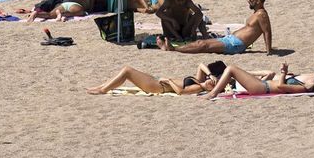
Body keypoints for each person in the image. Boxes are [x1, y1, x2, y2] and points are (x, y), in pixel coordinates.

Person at [162, 0, 272, 54]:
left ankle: (175, 49)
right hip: (232, 40)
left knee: (203, 46)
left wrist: (269, 51)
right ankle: (176, 48)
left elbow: (267, 32)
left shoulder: (262, 14)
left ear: (258, 1)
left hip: (236, 45)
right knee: (202, 43)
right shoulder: (257, 13)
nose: (248, 1)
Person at [86, 63, 219, 95]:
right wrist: (210, 74)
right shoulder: (200, 80)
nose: (210, 82)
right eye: (211, 80)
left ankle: (103, 90)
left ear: (210, 89)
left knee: (127, 71)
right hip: (158, 81)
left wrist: (169, 81)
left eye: (212, 84)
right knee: (126, 72)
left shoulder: (198, 87)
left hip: (158, 86)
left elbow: (180, 92)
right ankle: (100, 87)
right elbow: (201, 65)